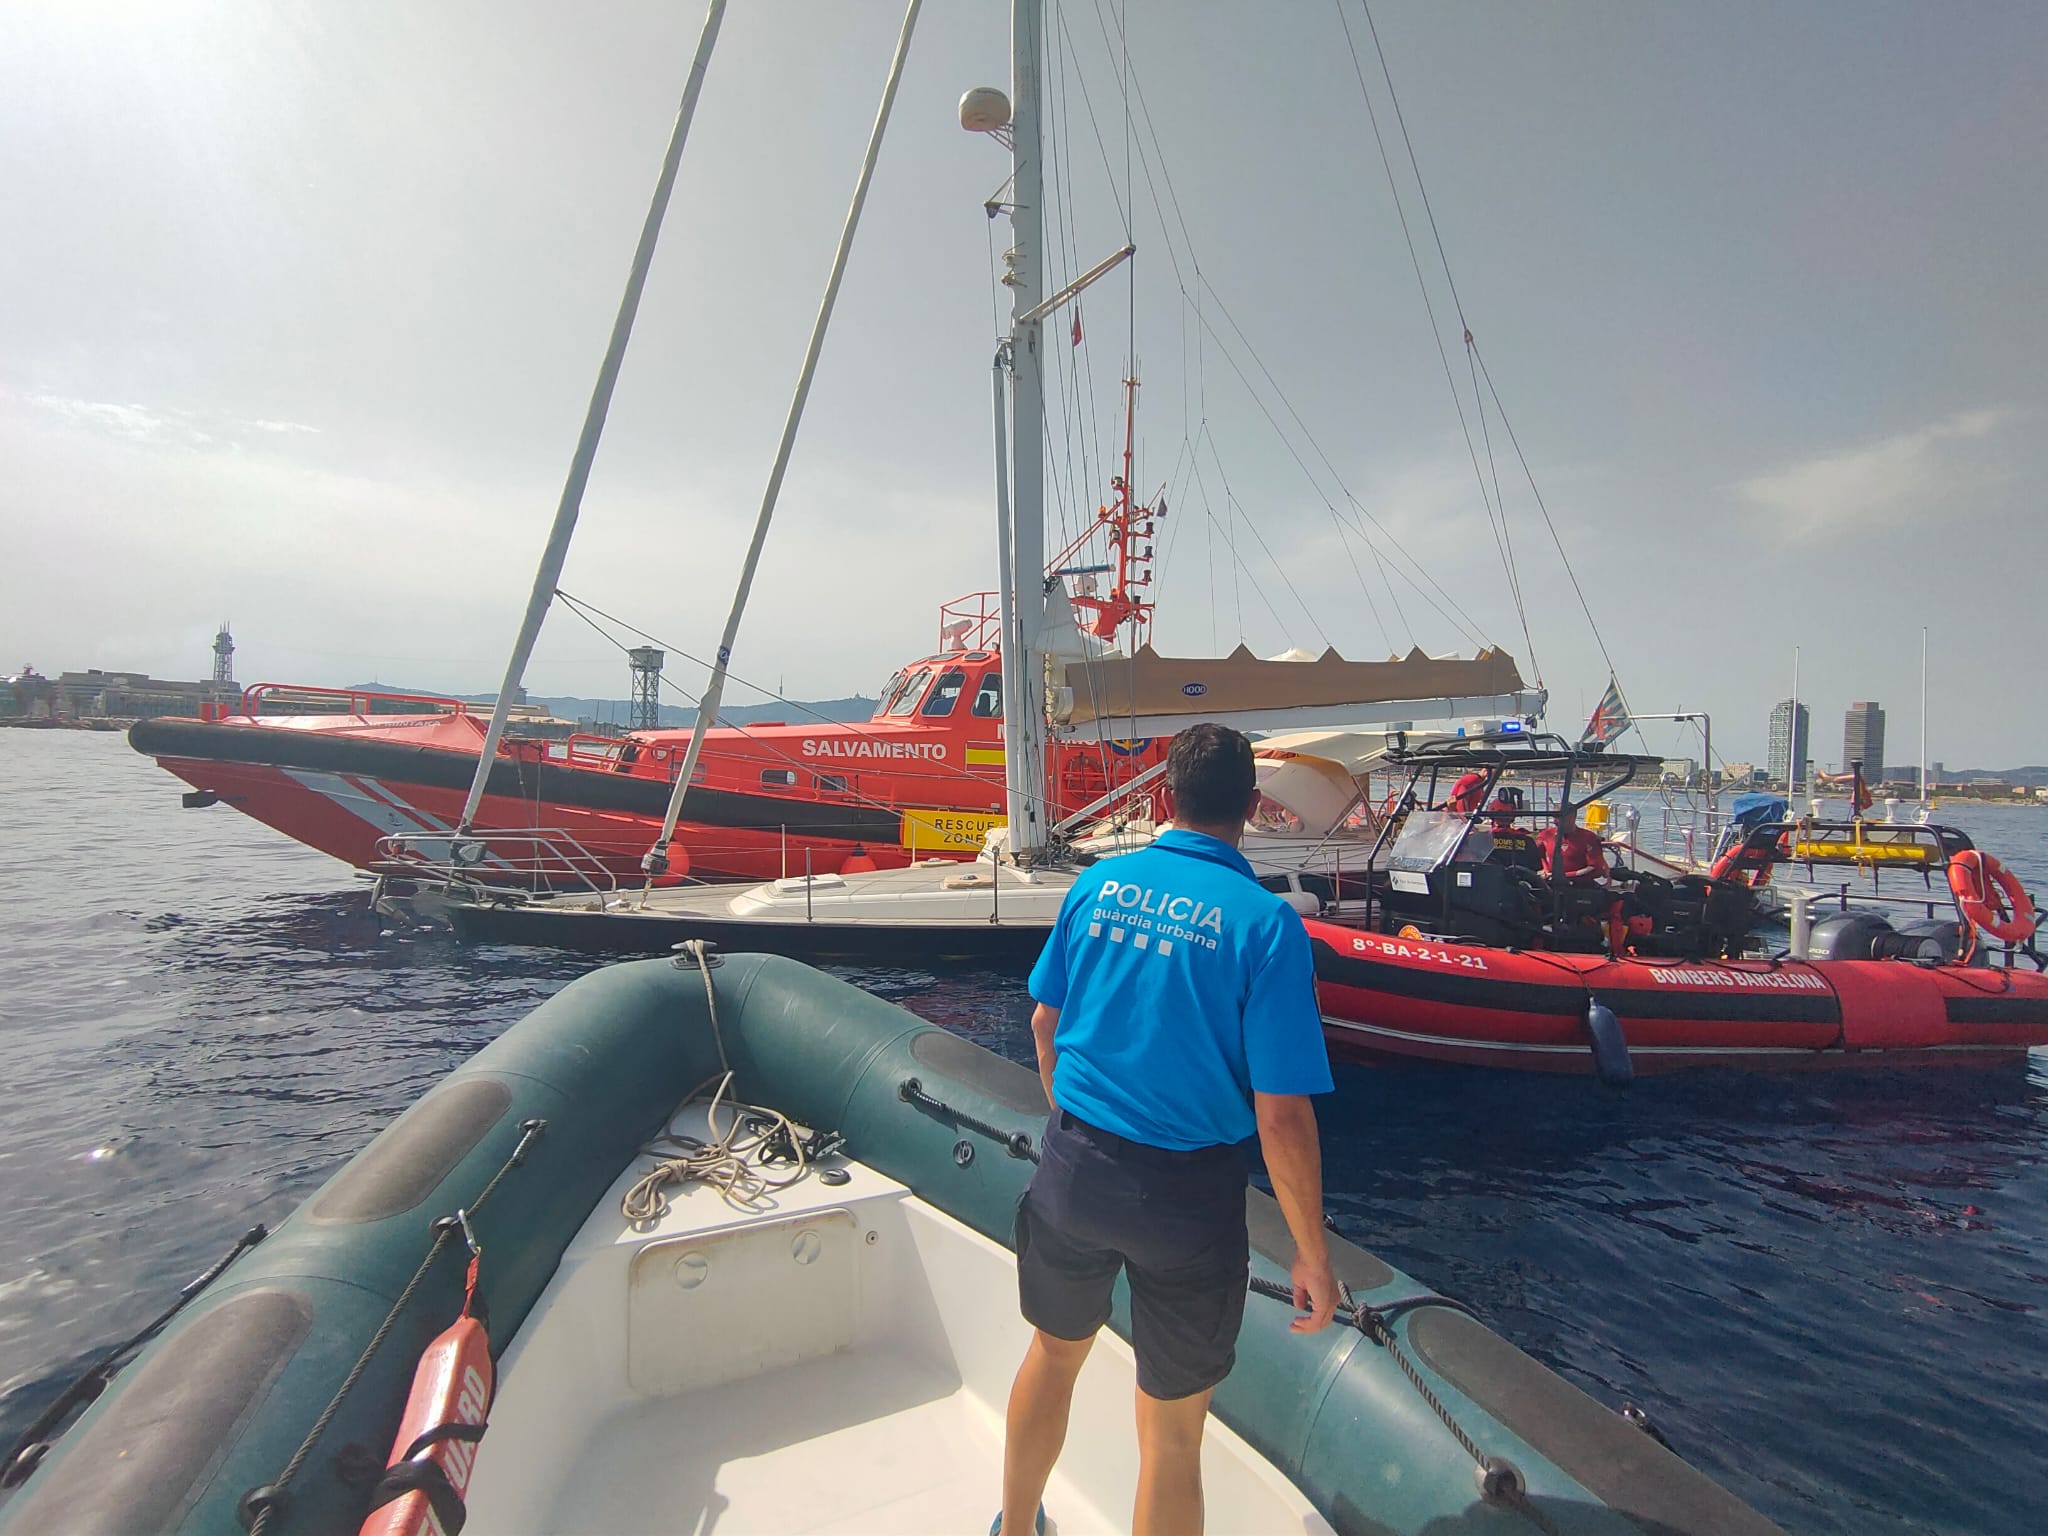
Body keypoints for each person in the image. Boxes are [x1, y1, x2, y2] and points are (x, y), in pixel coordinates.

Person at [998, 723, 1338, 1536]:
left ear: (1161, 798)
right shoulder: (1265, 925)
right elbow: (1282, 1115)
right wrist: (1312, 1256)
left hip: (1076, 1167)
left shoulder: (1097, 887)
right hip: (1186, 1203)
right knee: (1174, 1432)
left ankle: (1014, 1531)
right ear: (1252, 808)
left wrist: (1068, 1119)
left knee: (1052, 1356)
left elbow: (1046, 1022)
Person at [1535, 802, 1607, 881]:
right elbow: (1537, 854)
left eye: (1559, 817)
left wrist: (1564, 876)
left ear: (1572, 818)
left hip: (1579, 885)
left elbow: (1596, 868)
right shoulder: (1545, 835)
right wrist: (1545, 869)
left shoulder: (1588, 837)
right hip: (1552, 883)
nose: (1555, 821)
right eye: (1554, 817)